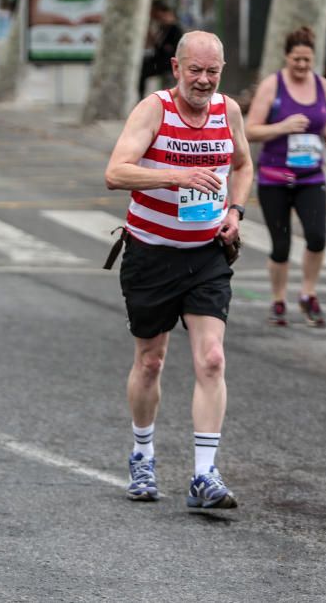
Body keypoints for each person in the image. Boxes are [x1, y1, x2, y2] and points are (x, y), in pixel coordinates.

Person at [103, 31, 254, 509]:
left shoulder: (228, 111)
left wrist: (235, 212)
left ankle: (204, 475)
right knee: (151, 360)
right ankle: (143, 454)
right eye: (195, 71)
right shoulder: (155, 110)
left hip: (207, 255)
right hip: (151, 253)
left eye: (213, 72)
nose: (204, 81)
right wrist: (175, 175)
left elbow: (244, 166)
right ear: (176, 67)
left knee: (212, 358)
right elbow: (115, 172)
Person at [244, 27, 326, 327]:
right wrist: (281, 127)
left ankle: (308, 293)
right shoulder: (273, 87)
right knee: (281, 245)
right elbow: (250, 129)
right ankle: (279, 299)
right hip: (275, 177)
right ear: (286, 56)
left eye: (307, 60)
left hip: (311, 176)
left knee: (317, 237)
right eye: (296, 59)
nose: (301, 66)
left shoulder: (325, 87)